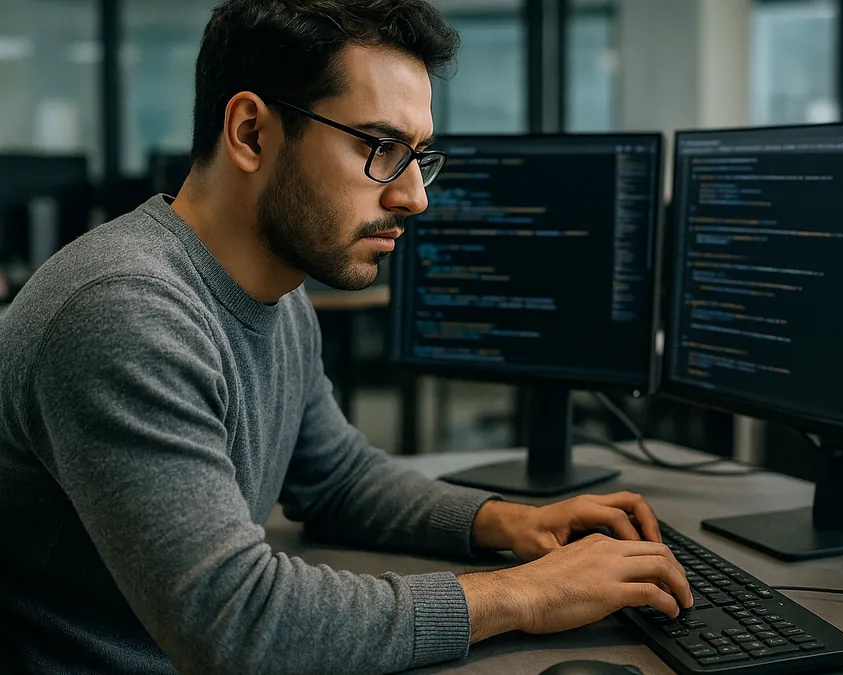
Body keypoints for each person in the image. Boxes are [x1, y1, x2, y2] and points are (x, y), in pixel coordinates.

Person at [0, 1, 692, 673]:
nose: (415, 195)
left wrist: (509, 523)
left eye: (419, 155)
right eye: (381, 147)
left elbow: (336, 479)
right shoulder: (125, 310)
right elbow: (240, 623)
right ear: (249, 133)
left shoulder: (279, 294)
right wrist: (523, 593)